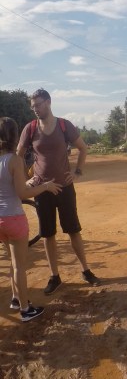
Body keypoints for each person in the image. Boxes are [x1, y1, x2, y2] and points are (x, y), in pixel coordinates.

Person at [16, 89, 102, 295]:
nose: (35, 109)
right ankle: (54, 276)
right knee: (48, 235)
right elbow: (18, 155)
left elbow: (83, 148)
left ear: (48, 102)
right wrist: (23, 178)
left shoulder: (65, 125)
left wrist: (78, 171)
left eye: (38, 104)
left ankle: (86, 270)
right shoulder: (30, 128)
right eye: (33, 106)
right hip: (42, 190)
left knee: (74, 230)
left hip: (65, 187)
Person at [0, 117, 61, 321]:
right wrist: (43, 186)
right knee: (19, 266)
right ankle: (25, 310)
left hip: (0, 220)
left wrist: (30, 181)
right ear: (14, 136)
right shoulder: (14, 160)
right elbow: (21, 194)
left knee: (11, 262)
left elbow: (10, 187)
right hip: (14, 218)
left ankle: (16, 298)